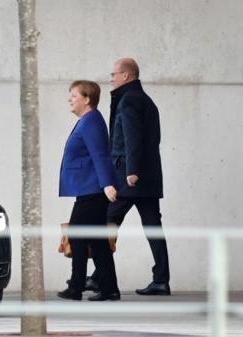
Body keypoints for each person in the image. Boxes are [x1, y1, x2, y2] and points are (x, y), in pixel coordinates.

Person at [101, 57, 170, 296]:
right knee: (153, 226)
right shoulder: (146, 101)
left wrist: (131, 171)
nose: (111, 79)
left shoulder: (128, 100)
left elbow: (132, 138)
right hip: (149, 176)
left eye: (113, 74)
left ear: (125, 76)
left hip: (131, 176)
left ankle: (99, 277)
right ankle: (161, 280)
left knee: (107, 220)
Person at [57, 80, 120, 302]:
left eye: (73, 95)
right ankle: (109, 288)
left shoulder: (91, 121)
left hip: (93, 189)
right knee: (99, 240)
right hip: (90, 188)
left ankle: (76, 287)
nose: (69, 99)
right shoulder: (88, 120)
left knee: (77, 235)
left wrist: (106, 184)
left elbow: (100, 154)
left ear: (87, 99)